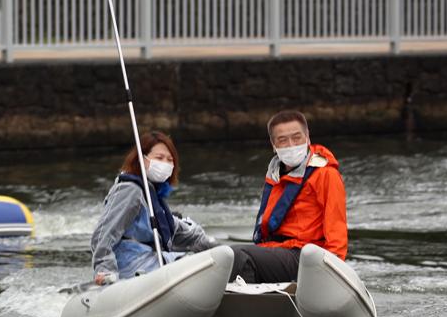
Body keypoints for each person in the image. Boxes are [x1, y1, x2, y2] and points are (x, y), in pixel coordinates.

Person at [229, 110, 347, 283]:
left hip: (306, 256)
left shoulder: (326, 174)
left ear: (307, 137)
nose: (291, 145)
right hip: (277, 251)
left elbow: (336, 227)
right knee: (223, 256)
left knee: (239, 255)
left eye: (297, 137)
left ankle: (251, 303)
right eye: (283, 140)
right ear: (273, 144)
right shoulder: (275, 174)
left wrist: (332, 273)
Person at [90, 131, 217, 284]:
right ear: (143, 160)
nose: (165, 163)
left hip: (155, 265)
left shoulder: (154, 197)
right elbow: (103, 234)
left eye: (170, 160)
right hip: (132, 269)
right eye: (159, 158)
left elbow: (177, 231)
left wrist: (212, 247)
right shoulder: (130, 190)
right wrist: (105, 270)